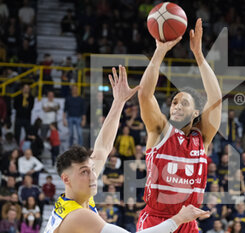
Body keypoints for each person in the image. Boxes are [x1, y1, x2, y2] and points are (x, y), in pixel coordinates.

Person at [44, 66, 209, 233]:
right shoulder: (78, 216)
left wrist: (118, 102)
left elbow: (103, 147)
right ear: (66, 179)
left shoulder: (76, 197)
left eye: (92, 169)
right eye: (84, 172)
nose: (93, 175)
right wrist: (179, 219)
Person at [136, 19, 222, 232]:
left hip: (187, 222)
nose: (176, 106)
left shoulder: (201, 138)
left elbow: (216, 98)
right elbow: (145, 94)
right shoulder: (159, 130)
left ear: (195, 113)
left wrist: (199, 56)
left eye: (184, 103)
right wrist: (160, 51)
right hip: (157, 219)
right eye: (174, 102)